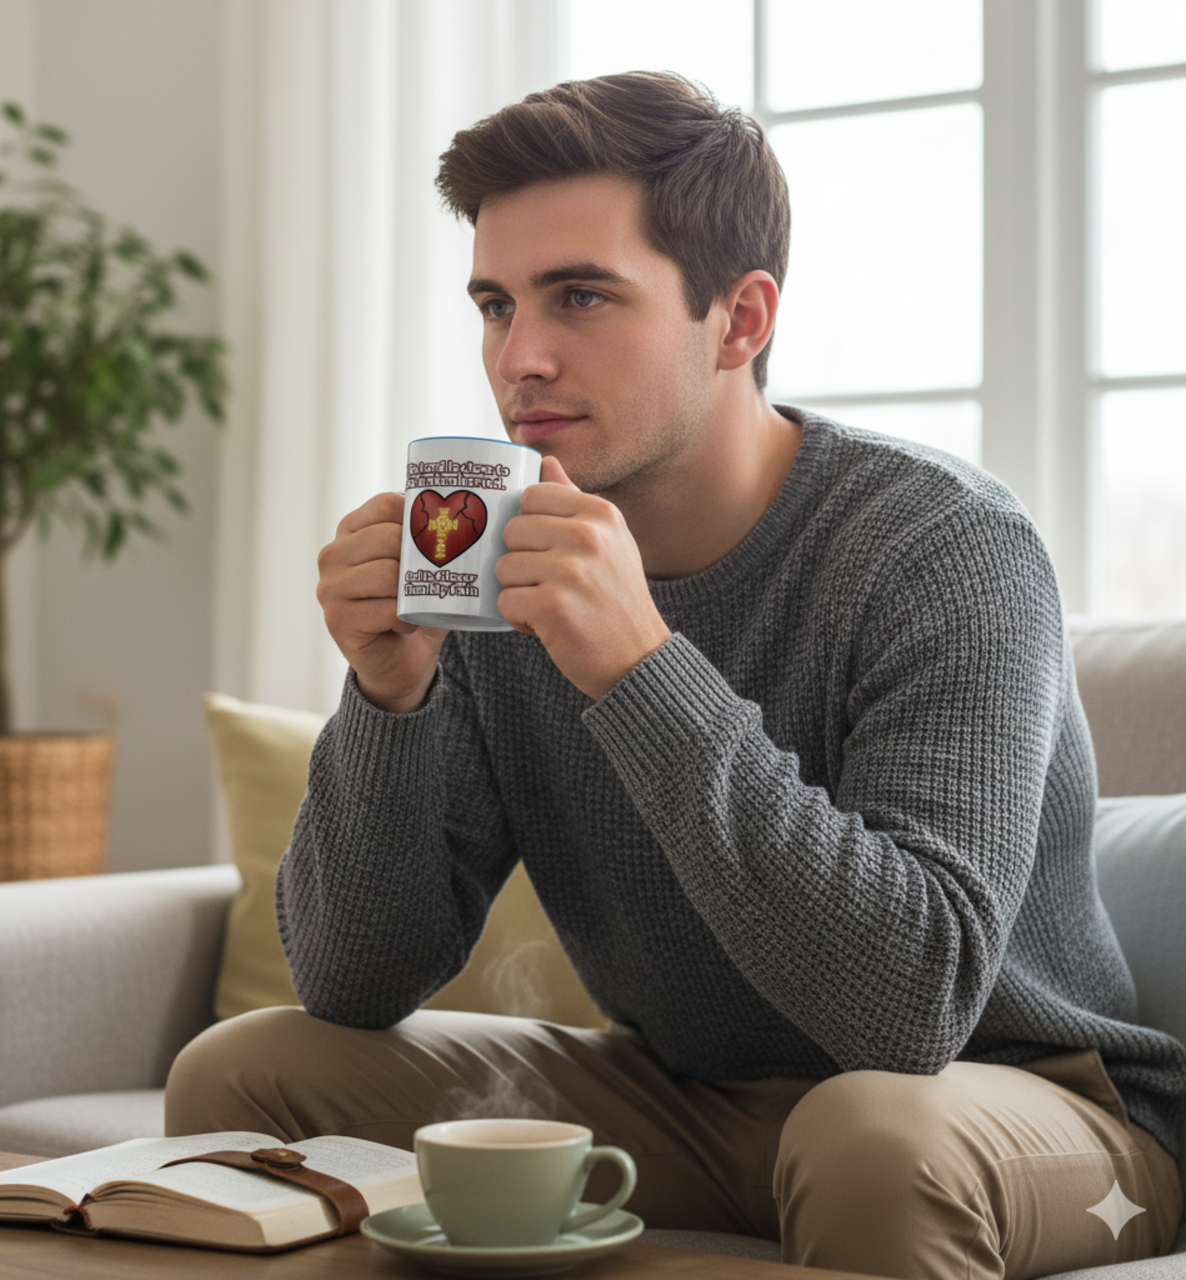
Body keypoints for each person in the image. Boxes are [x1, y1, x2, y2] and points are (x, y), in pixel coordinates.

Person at [166, 72, 1185, 1277]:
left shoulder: (942, 546)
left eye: (580, 297)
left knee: (868, 1135)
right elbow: (351, 976)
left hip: (1007, 1103)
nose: (519, 358)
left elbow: (906, 1010)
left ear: (740, 320)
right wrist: (391, 695)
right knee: (246, 1067)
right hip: (687, 1098)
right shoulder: (502, 558)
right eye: (495, 303)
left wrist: (636, 664)